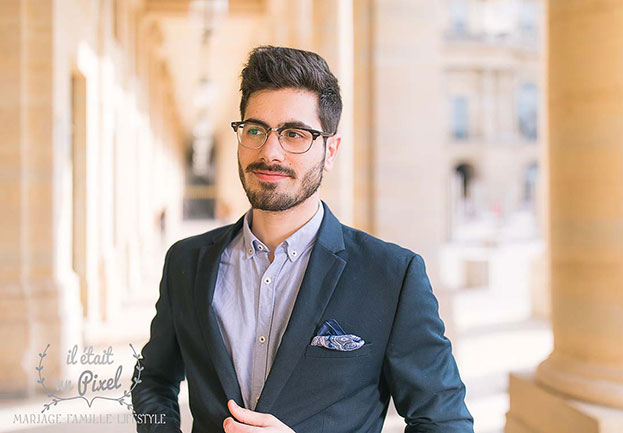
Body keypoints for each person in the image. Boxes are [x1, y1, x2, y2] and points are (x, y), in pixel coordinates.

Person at [132, 45, 474, 433]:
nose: (269, 152)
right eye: (255, 130)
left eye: (294, 134)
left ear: (330, 151)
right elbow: (153, 380)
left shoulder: (392, 276)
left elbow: (445, 423)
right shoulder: (186, 261)